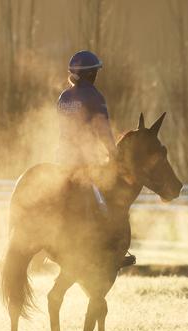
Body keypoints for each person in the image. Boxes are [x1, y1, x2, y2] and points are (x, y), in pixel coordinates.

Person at [56, 50, 135, 268]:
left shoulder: (64, 97)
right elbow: (102, 129)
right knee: (108, 200)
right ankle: (114, 248)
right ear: (91, 74)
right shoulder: (94, 96)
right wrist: (114, 154)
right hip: (84, 162)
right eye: (95, 72)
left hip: (61, 159)